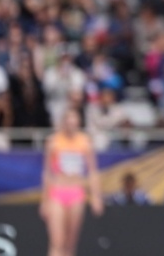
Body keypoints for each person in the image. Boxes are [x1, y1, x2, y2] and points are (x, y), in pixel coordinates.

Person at [41, 109, 102, 256]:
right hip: (57, 192)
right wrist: (45, 201)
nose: (71, 124)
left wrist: (96, 197)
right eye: (68, 121)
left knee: (70, 243)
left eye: (74, 121)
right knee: (57, 241)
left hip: (76, 192)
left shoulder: (85, 142)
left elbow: (93, 171)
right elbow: (47, 172)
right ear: (64, 123)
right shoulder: (54, 142)